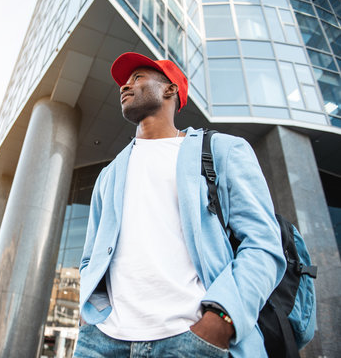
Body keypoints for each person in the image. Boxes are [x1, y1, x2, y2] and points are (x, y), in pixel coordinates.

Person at [74, 52, 286, 358]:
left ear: (170, 89)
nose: (124, 86)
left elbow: (264, 243)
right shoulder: (109, 175)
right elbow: (89, 259)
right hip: (103, 341)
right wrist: (92, 313)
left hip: (193, 338)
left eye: (137, 78)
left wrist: (221, 320)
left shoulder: (221, 151)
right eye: (124, 82)